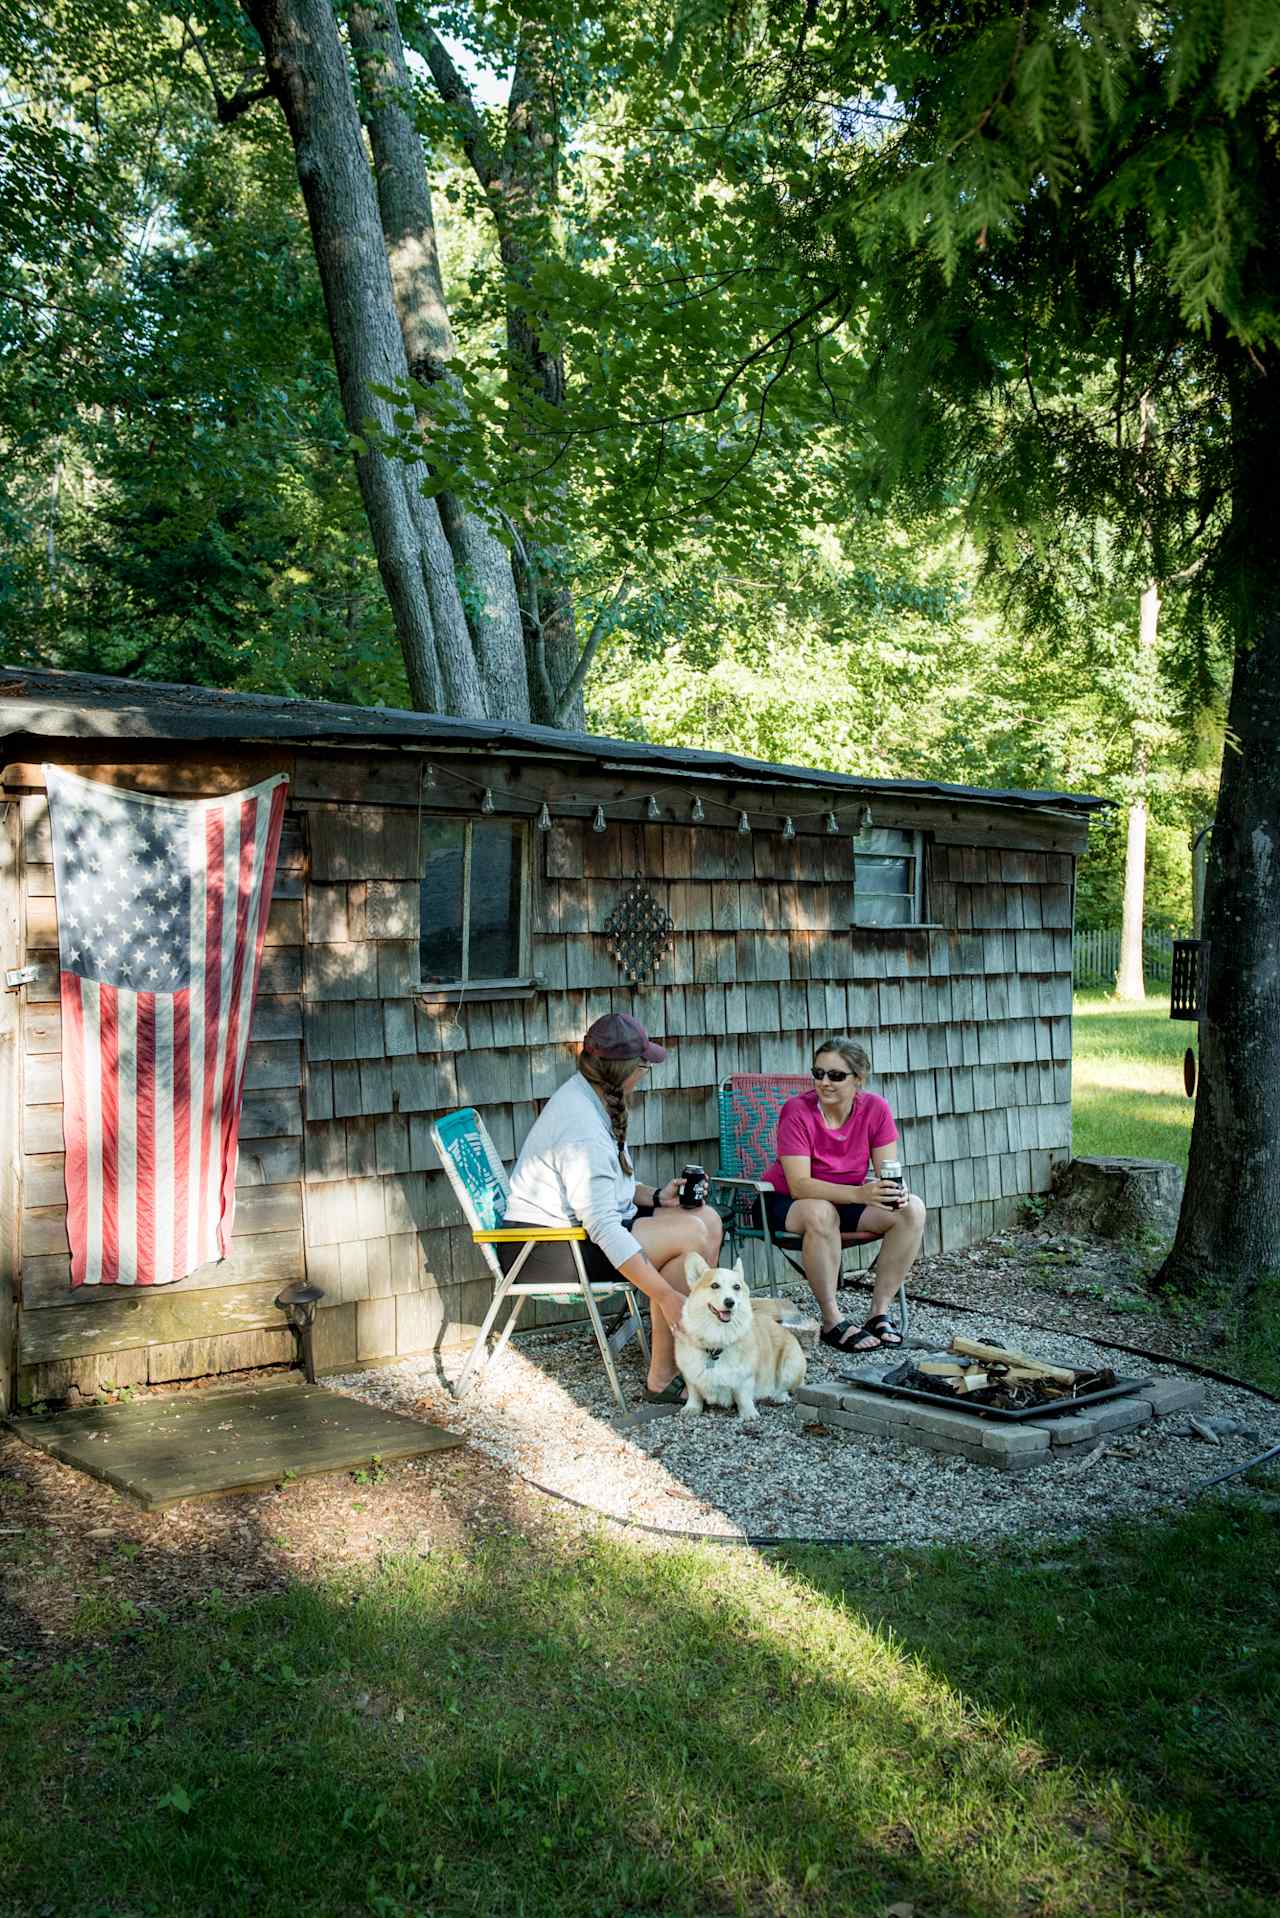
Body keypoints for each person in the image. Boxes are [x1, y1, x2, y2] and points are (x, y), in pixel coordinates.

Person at [498, 1012, 723, 1402]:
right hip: (545, 1248)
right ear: (626, 1070)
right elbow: (601, 1222)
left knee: (706, 1218)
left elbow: (606, 1189)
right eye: (645, 1067)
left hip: (578, 1232)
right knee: (693, 1233)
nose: (645, 1075)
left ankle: (666, 1373)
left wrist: (656, 1197)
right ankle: (693, 1347)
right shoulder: (581, 1123)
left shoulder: (594, 1097)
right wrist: (668, 1298)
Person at [759, 1036, 927, 1352]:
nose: (824, 1082)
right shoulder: (797, 1110)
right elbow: (800, 1185)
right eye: (818, 1073)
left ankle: (878, 1313)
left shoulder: (875, 1109)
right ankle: (832, 1320)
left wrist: (894, 1193)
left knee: (912, 1209)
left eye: (835, 1075)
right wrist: (861, 1194)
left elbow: (887, 1169)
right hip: (785, 1201)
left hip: (846, 1198)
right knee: (821, 1211)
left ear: (858, 1079)